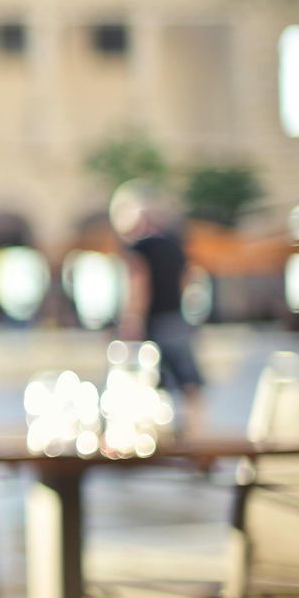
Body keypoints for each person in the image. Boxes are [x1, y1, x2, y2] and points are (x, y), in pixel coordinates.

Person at [111, 181, 206, 432]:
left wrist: (132, 320)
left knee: (145, 378)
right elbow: (188, 279)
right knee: (188, 380)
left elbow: (139, 284)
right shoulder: (175, 245)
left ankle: (149, 431)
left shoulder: (140, 248)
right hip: (176, 318)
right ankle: (196, 430)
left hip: (153, 321)